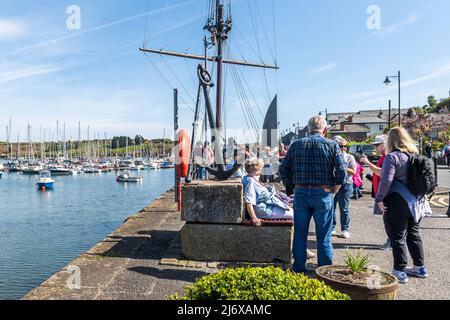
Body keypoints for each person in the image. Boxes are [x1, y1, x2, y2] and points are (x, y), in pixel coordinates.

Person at [280, 116, 346, 273]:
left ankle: (298, 268)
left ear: (308, 129)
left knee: (300, 234)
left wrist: (291, 188)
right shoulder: (332, 145)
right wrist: (334, 190)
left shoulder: (296, 145)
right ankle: (324, 271)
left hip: (301, 192)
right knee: (324, 237)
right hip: (323, 193)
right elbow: (342, 172)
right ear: (324, 129)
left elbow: (283, 169)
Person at [375, 127, 432, 284]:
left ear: (390, 141)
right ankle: (420, 267)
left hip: (398, 201)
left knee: (397, 236)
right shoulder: (414, 155)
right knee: (414, 234)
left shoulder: (392, 157)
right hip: (417, 202)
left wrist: (379, 198)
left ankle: (400, 271)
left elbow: (386, 180)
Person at [243, 158, 293, 227]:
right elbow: (249, 201)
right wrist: (254, 218)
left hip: (266, 206)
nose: (262, 170)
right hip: (264, 209)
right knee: (294, 215)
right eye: (261, 168)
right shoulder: (250, 182)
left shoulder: (250, 178)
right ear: (257, 169)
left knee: (294, 213)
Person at [361, 135, 391, 251]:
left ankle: (391, 242)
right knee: (387, 219)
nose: (375, 148)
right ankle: (391, 241)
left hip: (386, 194)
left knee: (389, 220)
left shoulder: (388, 156)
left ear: (385, 144)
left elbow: (381, 173)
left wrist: (368, 163)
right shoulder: (383, 156)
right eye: (375, 145)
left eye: (377, 145)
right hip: (382, 193)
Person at [331, 138, 357, 239]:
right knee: (331, 208)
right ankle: (332, 228)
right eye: (340, 146)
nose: (343, 148)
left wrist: (342, 166)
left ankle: (345, 229)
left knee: (344, 208)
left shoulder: (350, 157)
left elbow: (354, 172)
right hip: (333, 184)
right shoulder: (332, 156)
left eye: (345, 146)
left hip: (346, 185)